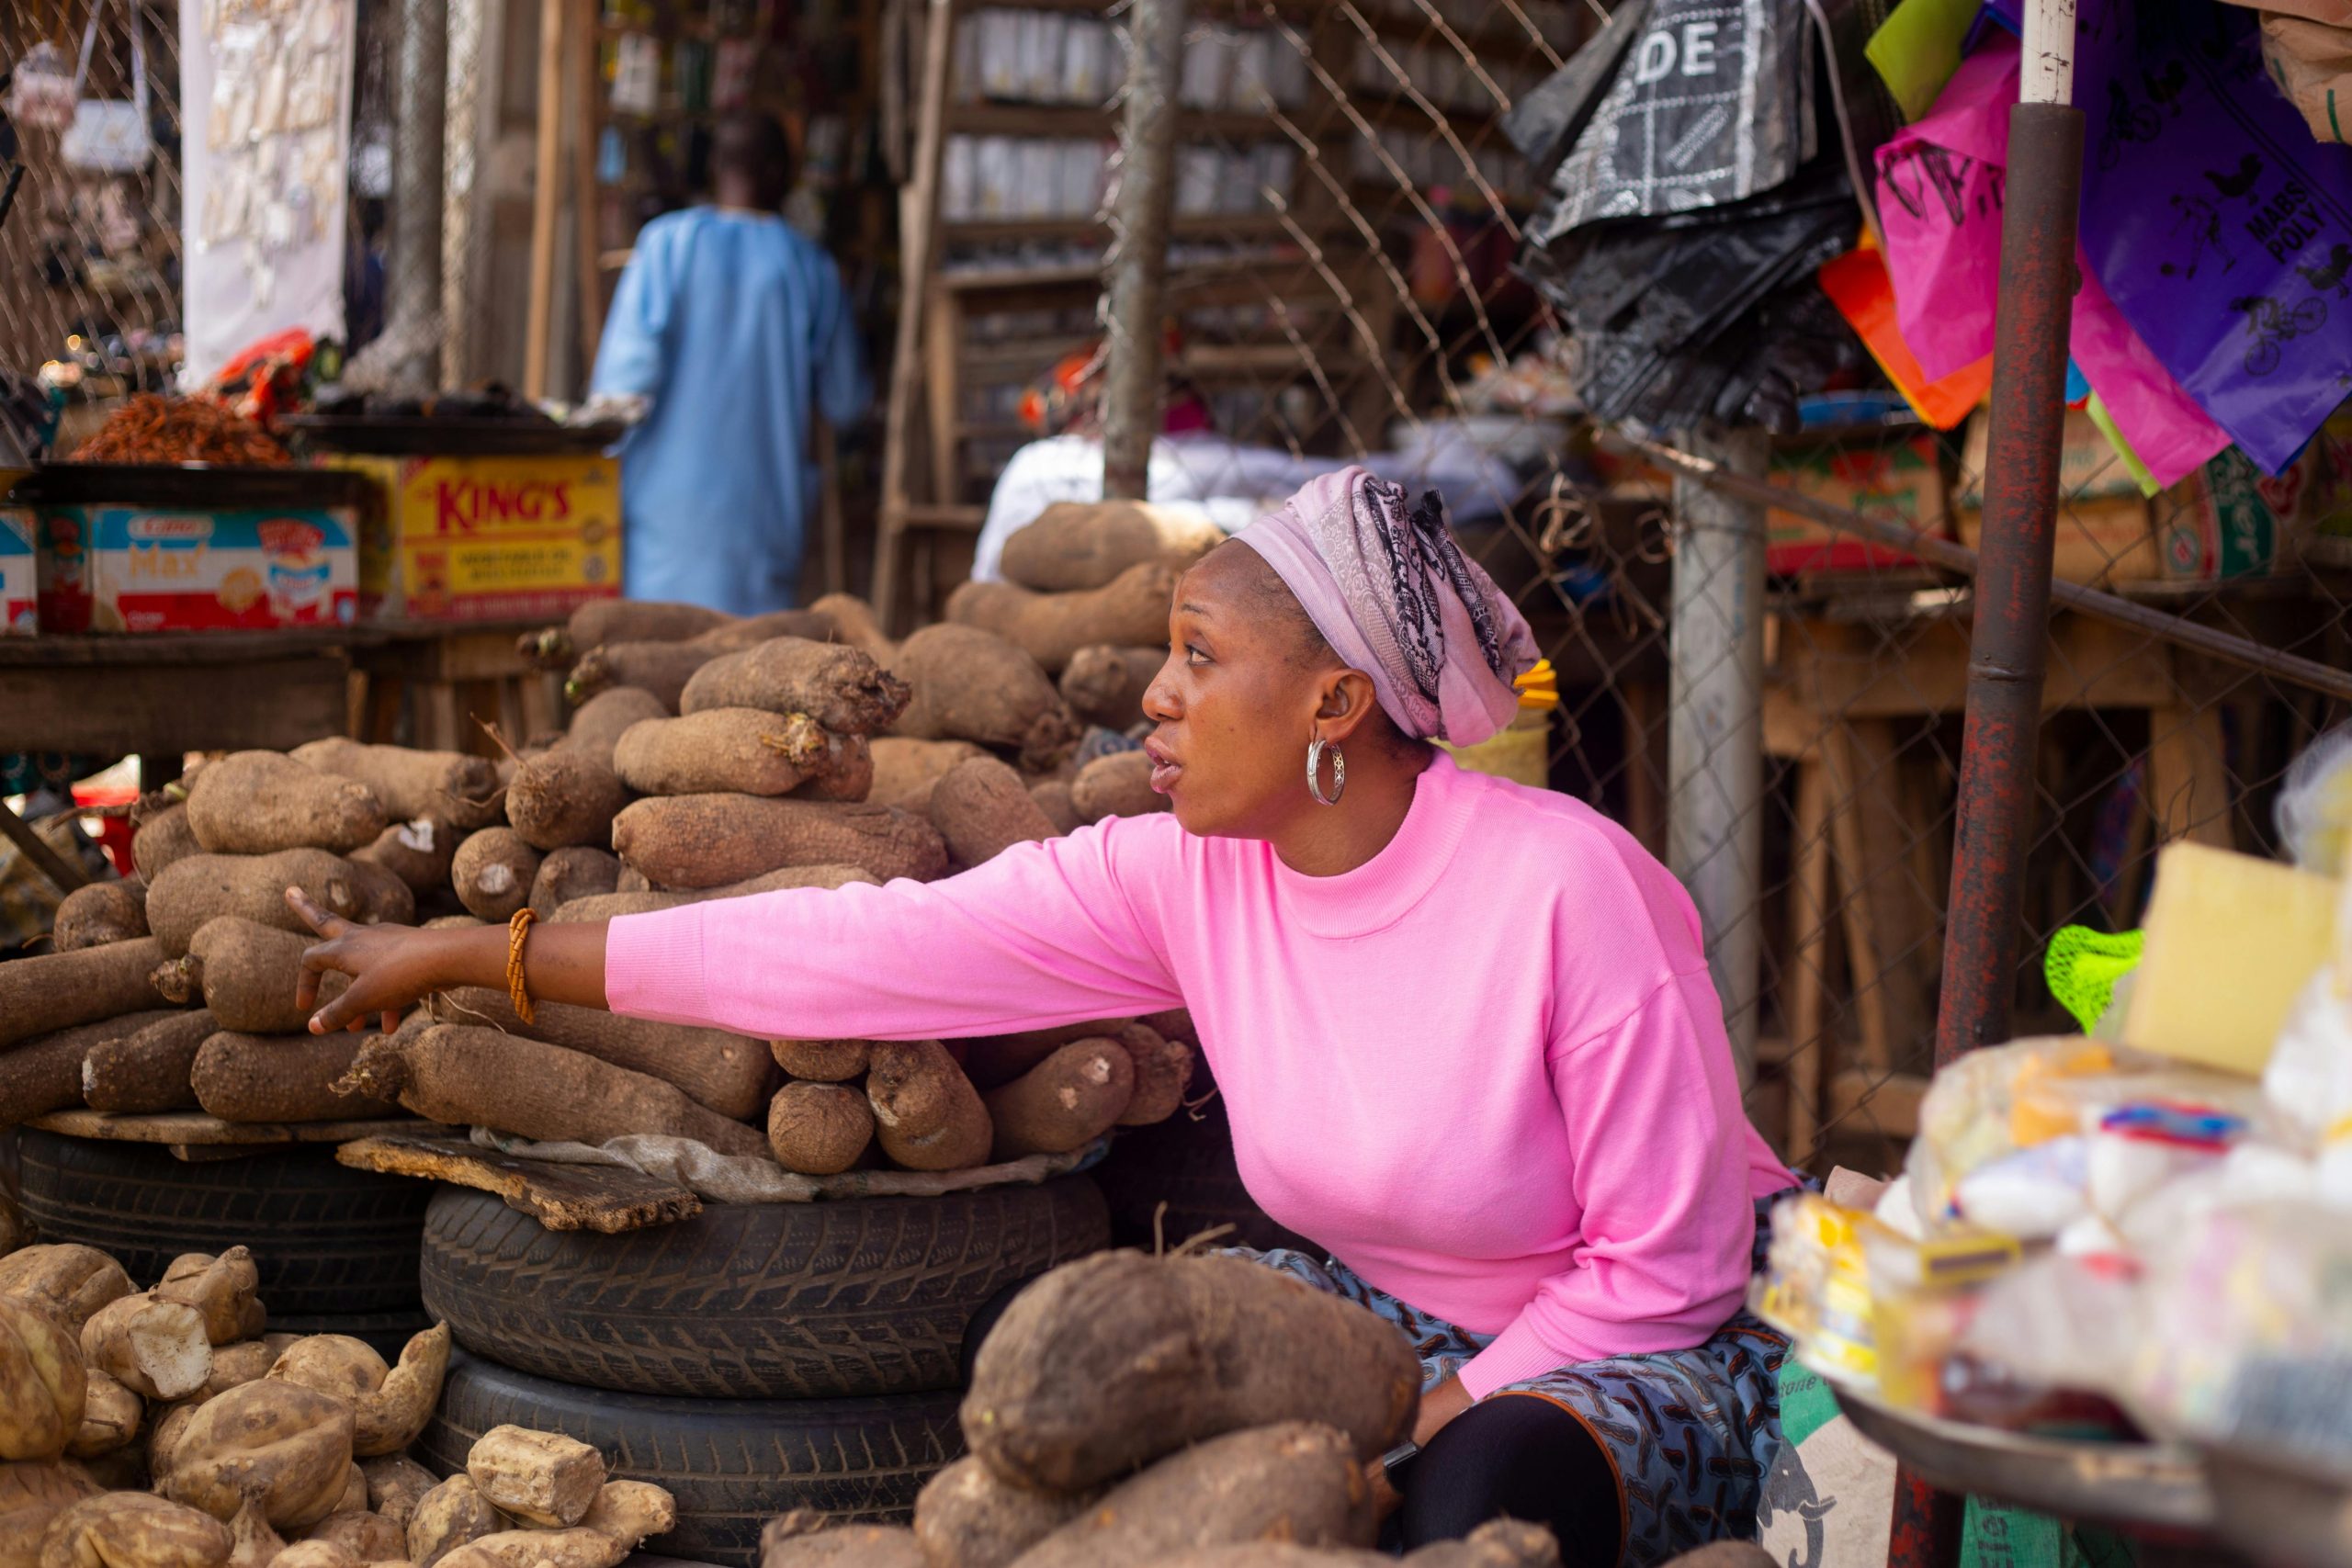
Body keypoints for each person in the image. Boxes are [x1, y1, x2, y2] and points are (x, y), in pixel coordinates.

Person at [288, 468, 1802, 1566]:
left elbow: (1668, 1266)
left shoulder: (1568, 888)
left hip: (1636, 1349)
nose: (1154, 694)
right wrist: (477, 951)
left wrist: (1432, 1410)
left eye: (1202, 659)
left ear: (1338, 707)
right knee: (1074, 1459)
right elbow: (845, 949)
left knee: (1479, 1500)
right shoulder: (1184, 878)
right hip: (1387, 1324)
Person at [591, 110, 871, 615]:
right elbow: (847, 402)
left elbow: (621, 387)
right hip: (762, 529)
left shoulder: (668, 245)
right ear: (781, 174)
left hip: (666, 523)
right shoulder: (810, 268)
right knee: (746, 675)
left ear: (716, 165)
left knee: (654, 664)